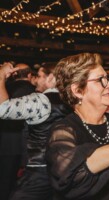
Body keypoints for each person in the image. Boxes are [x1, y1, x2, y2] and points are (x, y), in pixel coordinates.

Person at [46, 53, 109, 200]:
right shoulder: (63, 130)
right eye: (100, 80)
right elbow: (69, 176)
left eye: (107, 78)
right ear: (77, 91)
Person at [0, 62, 71, 200]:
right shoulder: (71, 101)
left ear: (51, 78)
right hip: (64, 171)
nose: (36, 80)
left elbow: (3, 109)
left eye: (39, 76)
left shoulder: (41, 100)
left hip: (39, 173)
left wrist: (1, 75)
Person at [0, 63, 36, 200]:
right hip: (23, 145)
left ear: (14, 74)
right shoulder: (35, 93)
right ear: (29, 75)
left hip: (4, 141)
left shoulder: (4, 88)